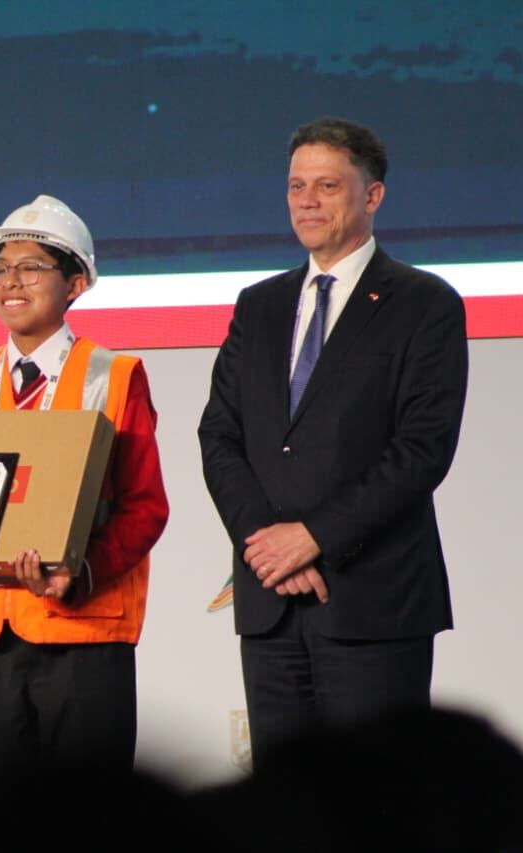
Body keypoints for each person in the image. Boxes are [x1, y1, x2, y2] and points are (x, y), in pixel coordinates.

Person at [197, 117, 469, 766]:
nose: (307, 201)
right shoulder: (257, 304)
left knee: (377, 807)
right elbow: (220, 434)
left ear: (372, 196)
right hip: (271, 608)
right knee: (285, 814)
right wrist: (267, 544)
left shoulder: (425, 303)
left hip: (373, 604)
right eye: (296, 187)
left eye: (326, 185)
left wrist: (313, 536)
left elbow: (421, 449)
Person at [0, 195, 168, 815]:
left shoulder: (115, 375)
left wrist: (83, 573)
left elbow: (145, 507)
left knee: (90, 824)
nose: (11, 282)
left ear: (75, 284)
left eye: (32, 267)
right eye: (0, 268)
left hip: (83, 634)